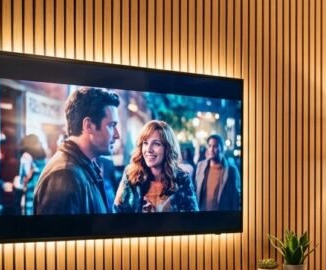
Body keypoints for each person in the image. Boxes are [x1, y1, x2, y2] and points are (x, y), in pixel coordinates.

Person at [34, 87, 120, 215]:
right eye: (111, 125)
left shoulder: (81, 167)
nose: (117, 135)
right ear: (88, 126)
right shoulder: (64, 175)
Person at [113, 120, 198, 213]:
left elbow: (193, 220)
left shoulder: (182, 179)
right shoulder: (130, 175)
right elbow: (117, 212)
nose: (149, 150)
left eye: (156, 144)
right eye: (145, 143)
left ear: (168, 148)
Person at [194, 134, 240, 211]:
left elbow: (235, 198)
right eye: (209, 146)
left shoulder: (231, 170)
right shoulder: (201, 166)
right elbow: (196, 190)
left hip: (221, 216)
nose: (211, 149)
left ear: (221, 149)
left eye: (215, 146)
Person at [16, 134, 47, 215]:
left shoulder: (26, 156)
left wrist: (19, 182)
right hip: (43, 192)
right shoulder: (43, 158)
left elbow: (23, 178)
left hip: (31, 192)